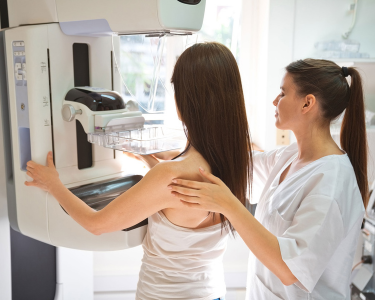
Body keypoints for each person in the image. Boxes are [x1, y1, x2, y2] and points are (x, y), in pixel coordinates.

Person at [24, 42, 252, 300]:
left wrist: (54, 184)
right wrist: (146, 158)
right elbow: (182, 198)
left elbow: (96, 224)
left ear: (185, 102)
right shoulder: (235, 160)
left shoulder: (170, 175)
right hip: (213, 293)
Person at [168, 59, 367, 300]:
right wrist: (165, 158)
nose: (275, 101)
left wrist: (229, 205)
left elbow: (290, 270)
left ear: (307, 103)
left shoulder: (331, 183)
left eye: (282, 93)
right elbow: (239, 166)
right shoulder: (291, 156)